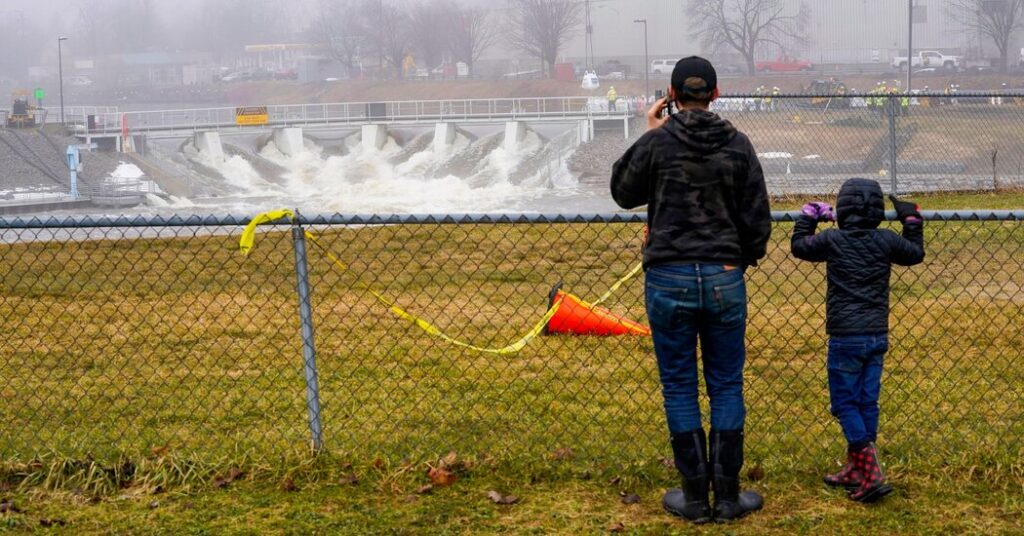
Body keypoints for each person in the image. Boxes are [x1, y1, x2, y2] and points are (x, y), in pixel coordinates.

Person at [611, 56, 771, 524]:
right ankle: (728, 497)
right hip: (723, 275)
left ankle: (694, 498)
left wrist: (650, 128)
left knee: (678, 386)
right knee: (725, 383)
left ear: (672, 96)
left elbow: (623, 191)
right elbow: (756, 217)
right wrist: (740, 259)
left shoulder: (659, 142)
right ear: (716, 94)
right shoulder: (738, 145)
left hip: (668, 276)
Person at [790, 179, 925, 503]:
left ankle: (871, 473)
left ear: (843, 209)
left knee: (844, 404)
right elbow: (915, 254)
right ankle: (857, 469)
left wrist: (809, 215)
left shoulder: (834, 239)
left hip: (846, 336)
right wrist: (911, 220)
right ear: (878, 210)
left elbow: (800, 246)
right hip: (877, 334)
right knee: (866, 402)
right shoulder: (885, 241)